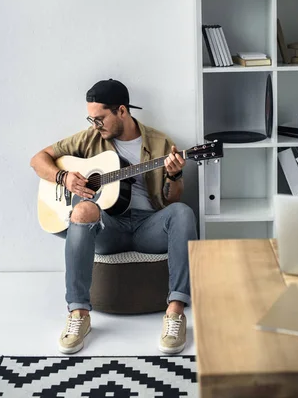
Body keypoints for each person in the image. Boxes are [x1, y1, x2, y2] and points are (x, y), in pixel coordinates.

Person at [30, 79, 198, 355]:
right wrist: (64, 177)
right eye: (91, 119)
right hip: (110, 229)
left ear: (122, 111)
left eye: (100, 119)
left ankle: (175, 313)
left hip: (148, 227)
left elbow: (172, 199)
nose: (95, 125)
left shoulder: (160, 143)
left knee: (182, 212)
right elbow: (38, 159)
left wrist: (175, 175)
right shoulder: (89, 138)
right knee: (83, 209)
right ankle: (78, 315)